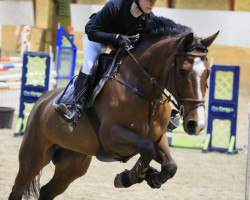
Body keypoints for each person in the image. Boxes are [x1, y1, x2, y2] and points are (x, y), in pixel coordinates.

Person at [56, 0, 157, 132]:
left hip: (119, 44)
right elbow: (92, 31)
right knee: (90, 64)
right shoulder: (115, 6)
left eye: (154, 1)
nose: (152, 3)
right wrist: (117, 38)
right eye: (149, 0)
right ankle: (75, 108)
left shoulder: (149, 16)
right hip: (95, 38)